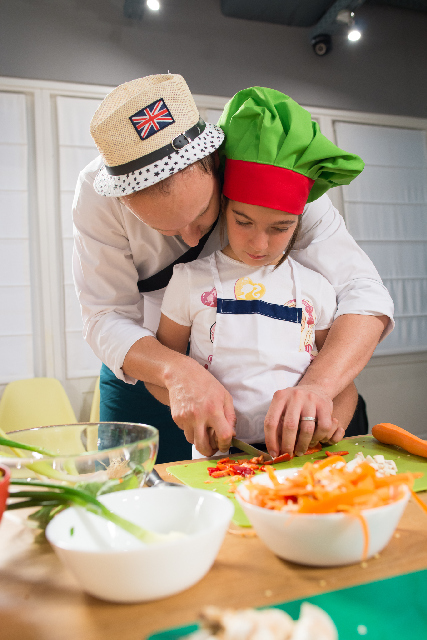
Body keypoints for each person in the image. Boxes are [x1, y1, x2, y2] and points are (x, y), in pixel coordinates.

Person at [72, 74, 393, 464]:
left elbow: (362, 290)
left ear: (217, 164)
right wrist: (176, 372)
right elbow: (105, 315)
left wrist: (320, 388)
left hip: (280, 385)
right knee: (132, 492)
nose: (191, 240)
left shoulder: (269, 164)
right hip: (148, 363)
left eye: (203, 215)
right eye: (164, 229)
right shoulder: (96, 194)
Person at [144, 87, 361, 458]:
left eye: (280, 228)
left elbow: (345, 387)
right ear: (223, 206)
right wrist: (194, 414)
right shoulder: (189, 280)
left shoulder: (317, 289)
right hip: (219, 458)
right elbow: (159, 375)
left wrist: (330, 423)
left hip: (301, 457)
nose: (259, 243)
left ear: (298, 222)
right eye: (243, 221)